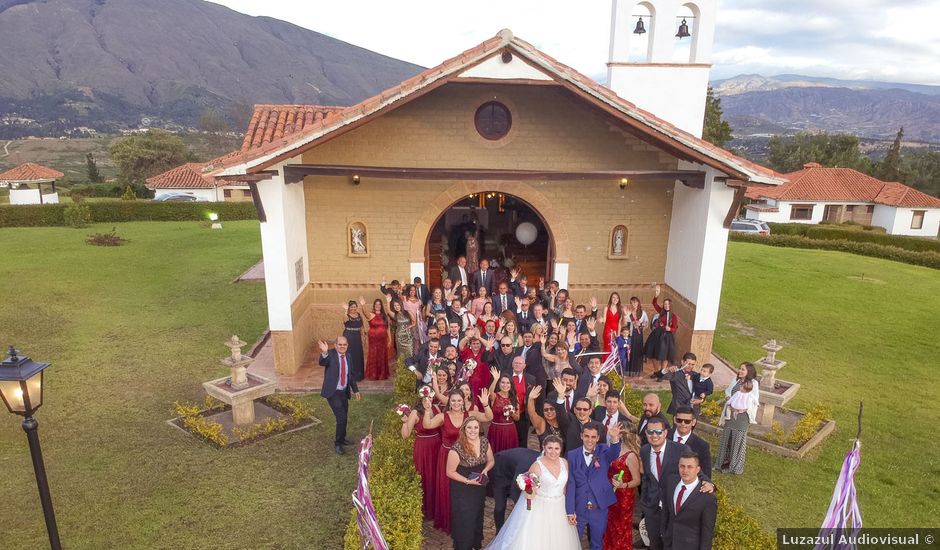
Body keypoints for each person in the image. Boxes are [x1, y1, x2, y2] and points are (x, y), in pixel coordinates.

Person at [486, 435, 581, 549]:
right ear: (543, 448)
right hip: (541, 507)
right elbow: (530, 492)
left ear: (561, 449)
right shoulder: (537, 466)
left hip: (559, 506)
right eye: (550, 448)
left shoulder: (564, 463)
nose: (553, 452)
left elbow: (566, 488)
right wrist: (528, 489)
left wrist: (570, 510)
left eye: (556, 448)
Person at [424, 389, 493, 534]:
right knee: (448, 489)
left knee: (464, 489)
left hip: (466, 457)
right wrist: (427, 410)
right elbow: (427, 425)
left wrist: (486, 404)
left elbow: (488, 417)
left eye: (459, 400)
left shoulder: (470, 415)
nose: (456, 403)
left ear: (463, 401)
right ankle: (449, 521)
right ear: (449, 402)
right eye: (453, 400)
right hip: (446, 455)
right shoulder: (443, 416)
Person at [639, 417, 714, 550]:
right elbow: (647, 477)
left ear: (666, 432)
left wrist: (710, 484)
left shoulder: (681, 449)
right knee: (655, 545)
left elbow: (695, 470)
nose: (654, 435)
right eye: (650, 431)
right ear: (646, 433)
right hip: (652, 510)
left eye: (658, 431)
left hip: (672, 511)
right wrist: (645, 502)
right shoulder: (644, 451)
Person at [565, 422, 623, 550]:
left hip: (599, 507)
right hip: (579, 507)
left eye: (593, 437)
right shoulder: (572, 455)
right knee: (573, 542)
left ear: (597, 438)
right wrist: (570, 511)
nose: (589, 440)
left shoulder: (604, 450)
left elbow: (614, 454)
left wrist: (614, 439)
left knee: (597, 543)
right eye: (586, 436)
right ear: (581, 436)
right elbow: (571, 483)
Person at [446, 416, 494, 550]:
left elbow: (491, 460)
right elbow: (450, 472)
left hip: (478, 487)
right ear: (464, 429)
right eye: (469, 427)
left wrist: (485, 470)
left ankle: (475, 544)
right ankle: (463, 546)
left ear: (480, 429)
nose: (473, 430)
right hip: (462, 488)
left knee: (478, 515)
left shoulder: (484, 442)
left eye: (476, 427)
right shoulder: (456, 449)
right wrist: (468, 481)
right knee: (465, 518)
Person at [661, 453, 717, 550]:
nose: (685, 470)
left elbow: (707, 531)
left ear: (698, 469)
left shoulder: (707, 498)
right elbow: (666, 509)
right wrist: (664, 531)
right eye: (682, 466)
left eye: (690, 467)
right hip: (668, 542)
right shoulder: (671, 481)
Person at [401, 393, 441, 520]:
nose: (427, 400)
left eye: (429, 397)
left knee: (436, 475)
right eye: (425, 398)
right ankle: (425, 509)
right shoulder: (415, 413)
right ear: (420, 399)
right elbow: (405, 435)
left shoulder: (436, 409)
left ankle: (437, 508)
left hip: (437, 445)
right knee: (424, 475)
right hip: (423, 447)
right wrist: (405, 422)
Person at [317, 338, 361, 455]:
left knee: (344, 416)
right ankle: (338, 444)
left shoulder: (349, 357)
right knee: (341, 418)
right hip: (333, 392)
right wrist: (325, 352)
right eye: (339, 344)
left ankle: (342, 438)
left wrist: (355, 390)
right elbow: (322, 362)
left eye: (344, 344)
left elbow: (350, 375)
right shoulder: (330, 355)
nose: (342, 346)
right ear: (335, 345)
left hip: (343, 392)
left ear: (347, 345)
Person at [715, 362, 760, 475]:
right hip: (730, 414)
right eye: (740, 369)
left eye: (743, 369)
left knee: (738, 439)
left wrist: (741, 407)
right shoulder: (735, 380)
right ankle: (722, 463)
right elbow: (728, 391)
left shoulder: (753, 383)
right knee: (727, 437)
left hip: (742, 417)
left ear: (749, 372)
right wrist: (728, 397)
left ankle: (734, 465)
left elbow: (755, 400)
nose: (740, 371)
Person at [603, 423, 642, 550]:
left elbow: (637, 480)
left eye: (620, 431)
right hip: (610, 493)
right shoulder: (614, 447)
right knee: (609, 525)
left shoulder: (631, 455)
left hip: (623, 497)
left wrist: (623, 485)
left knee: (620, 528)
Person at [489, 446, 540, 533]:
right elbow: (515, 491)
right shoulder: (527, 464)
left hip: (513, 470)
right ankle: (499, 532)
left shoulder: (541, 462)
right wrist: (526, 507)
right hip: (499, 471)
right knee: (500, 506)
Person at [670, 406, 712, 475]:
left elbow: (706, 474)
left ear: (693, 422)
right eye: (679, 420)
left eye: (687, 421)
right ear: (674, 419)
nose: (683, 424)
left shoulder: (702, 446)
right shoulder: (663, 436)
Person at [487, 370, 521, 455]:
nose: (505, 385)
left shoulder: (514, 397)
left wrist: (511, 413)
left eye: (508, 383)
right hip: (496, 430)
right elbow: (490, 392)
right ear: (499, 384)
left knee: (509, 454)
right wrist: (495, 379)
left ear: (511, 385)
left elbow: (517, 418)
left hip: (510, 430)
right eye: (502, 382)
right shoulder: (495, 396)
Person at [647, 285, 679, 372]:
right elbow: (654, 303)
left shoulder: (673, 316)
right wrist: (657, 295)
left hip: (666, 337)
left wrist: (670, 329)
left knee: (664, 355)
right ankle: (657, 371)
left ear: (670, 305)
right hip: (657, 334)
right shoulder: (661, 312)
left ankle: (662, 372)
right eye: (665, 304)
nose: (666, 305)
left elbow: (674, 328)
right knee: (653, 354)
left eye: (668, 304)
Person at [527, 385, 567, 451]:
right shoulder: (541, 423)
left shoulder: (563, 421)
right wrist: (530, 399)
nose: (549, 412)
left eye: (551, 409)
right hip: (545, 458)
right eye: (546, 410)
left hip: (561, 459)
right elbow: (532, 414)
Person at [661, 352, 700, 416]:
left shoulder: (696, 375)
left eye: (692, 364)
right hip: (678, 407)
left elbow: (703, 389)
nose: (690, 366)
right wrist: (667, 369)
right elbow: (662, 375)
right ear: (682, 362)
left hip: (693, 408)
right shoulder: (675, 373)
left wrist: (701, 400)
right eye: (688, 364)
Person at [361, 297, 390, 381]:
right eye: (376, 304)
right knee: (374, 355)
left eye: (379, 304)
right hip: (373, 339)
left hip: (383, 340)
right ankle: (373, 374)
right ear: (374, 305)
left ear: (381, 306)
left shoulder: (385, 316)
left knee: (382, 355)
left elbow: (388, 328)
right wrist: (363, 304)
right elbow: (365, 312)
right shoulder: (371, 314)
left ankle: (382, 374)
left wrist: (390, 340)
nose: (378, 305)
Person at [340, 300, 366, 382]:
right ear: (349, 308)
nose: (353, 308)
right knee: (349, 355)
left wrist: (363, 337)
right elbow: (345, 320)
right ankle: (349, 375)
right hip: (349, 336)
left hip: (357, 337)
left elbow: (362, 326)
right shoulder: (346, 315)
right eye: (352, 307)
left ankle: (358, 375)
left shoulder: (359, 315)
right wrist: (345, 310)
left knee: (358, 354)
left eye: (355, 307)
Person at [624, 296, 648, 376]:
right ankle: (629, 370)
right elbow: (625, 323)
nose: (633, 304)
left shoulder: (643, 313)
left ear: (638, 303)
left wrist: (640, 324)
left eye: (635, 302)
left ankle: (636, 370)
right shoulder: (628, 313)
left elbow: (646, 323)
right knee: (629, 351)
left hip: (638, 335)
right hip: (630, 334)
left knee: (637, 352)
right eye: (631, 303)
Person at [403, 284, 427, 353]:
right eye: (411, 290)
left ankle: (417, 356)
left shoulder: (419, 300)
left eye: (414, 290)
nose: (412, 291)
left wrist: (422, 320)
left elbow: (420, 312)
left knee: (418, 340)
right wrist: (402, 287)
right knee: (411, 340)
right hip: (408, 322)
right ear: (408, 291)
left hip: (418, 322)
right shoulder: (405, 299)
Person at [389, 299, 414, 363]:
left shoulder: (408, 312)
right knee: (401, 354)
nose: (397, 307)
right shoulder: (395, 315)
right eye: (395, 306)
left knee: (410, 352)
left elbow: (414, 322)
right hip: (399, 337)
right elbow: (388, 311)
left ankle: (410, 369)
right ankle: (401, 371)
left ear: (401, 305)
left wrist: (409, 326)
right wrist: (388, 301)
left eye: (398, 305)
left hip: (408, 336)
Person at [601, 292, 623, 361]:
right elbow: (604, 320)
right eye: (613, 297)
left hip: (616, 332)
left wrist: (618, 335)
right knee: (608, 348)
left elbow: (619, 323)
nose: (615, 299)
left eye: (617, 298)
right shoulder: (606, 308)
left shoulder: (620, 309)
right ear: (611, 298)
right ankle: (606, 367)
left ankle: (613, 369)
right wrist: (601, 320)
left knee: (615, 349)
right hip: (607, 331)